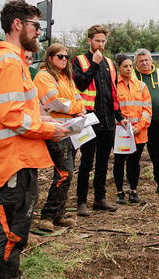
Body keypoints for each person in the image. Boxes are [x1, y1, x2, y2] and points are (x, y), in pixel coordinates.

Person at [0, 0, 69, 279]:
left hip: (18, 157)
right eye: (35, 26)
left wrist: (49, 124)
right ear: (18, 25)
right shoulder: (7, 63)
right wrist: (49, 130)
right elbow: (11, 116)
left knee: (17, 228)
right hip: (10, 160)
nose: (39, 33)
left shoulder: (13, 61)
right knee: (10, 230)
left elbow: (21, 111)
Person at [32, 43, 85, 231]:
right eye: (60, 56)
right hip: (55, 130)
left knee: (67, 173)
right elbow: (55, 103)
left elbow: (78, 99)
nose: (64, 59)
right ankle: (47, 215)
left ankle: (58, 214)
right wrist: (77, 108)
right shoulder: (44, 76)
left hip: (70, 130)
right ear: (50, 58)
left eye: (66, 56)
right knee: (64, 172)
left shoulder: (65, 78)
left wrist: (77, 108)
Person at [73, 25, 125, 214]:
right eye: (97, 41)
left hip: (108, 119)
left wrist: (120, 117)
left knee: (103, 161)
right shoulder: (79, 60)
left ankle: (100, 199)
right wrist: (94, 64)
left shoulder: (110, 63)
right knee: (87, 161)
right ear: (89, 41)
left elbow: (112, 93)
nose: (100, 44)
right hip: (89, 119)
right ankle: (81, 201)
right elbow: (80, 83)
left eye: (103, 41)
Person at [113, 55, 152, 204]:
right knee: (119, 162)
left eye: (130, 65)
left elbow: (147, 109)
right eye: (125, 66)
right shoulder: (114, 85)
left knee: (134, 162)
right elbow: (114, 109)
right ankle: (119, 192)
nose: (128, 69)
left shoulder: (141, 86)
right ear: (119, 68)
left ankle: (133, 191)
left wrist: (139, 126)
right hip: (121, 133)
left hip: (138, 132)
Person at [134, 48, 159, 195]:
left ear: (151, 60)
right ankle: (133, 186)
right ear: (136, 63)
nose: (144, 63)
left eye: (146, 60)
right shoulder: (132, 75)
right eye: (140, 61)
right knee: (134, 156)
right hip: (139, 124)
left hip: (158, 122)